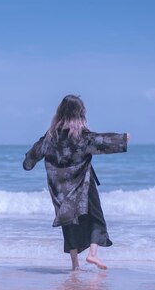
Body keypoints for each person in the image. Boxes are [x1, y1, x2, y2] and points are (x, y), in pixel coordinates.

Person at [23, 94, 129, 271]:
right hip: (84, 184)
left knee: (69, 223)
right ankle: (93, 254)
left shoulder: (50, 137)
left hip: (60, 189)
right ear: (80, 114)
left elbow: (32, 157)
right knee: (96, 218)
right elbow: (101, 141)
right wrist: (123, 139)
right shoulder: (81, 136)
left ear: (60, 113)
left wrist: (28, 163)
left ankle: (75, 266)